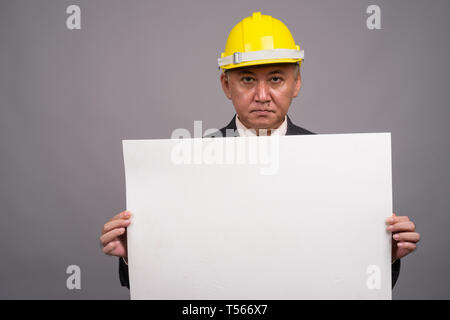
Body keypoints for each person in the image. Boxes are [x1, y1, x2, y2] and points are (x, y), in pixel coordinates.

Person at [100, 12, 420, 290]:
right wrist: (135, 254)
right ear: (227, 85)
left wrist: (383, 255)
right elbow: (160, 278)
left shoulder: (332, 164)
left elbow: (357, 281)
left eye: (276, 79)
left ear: (296, 83)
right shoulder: (188, 166)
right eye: (248, 80)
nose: (262, 95)